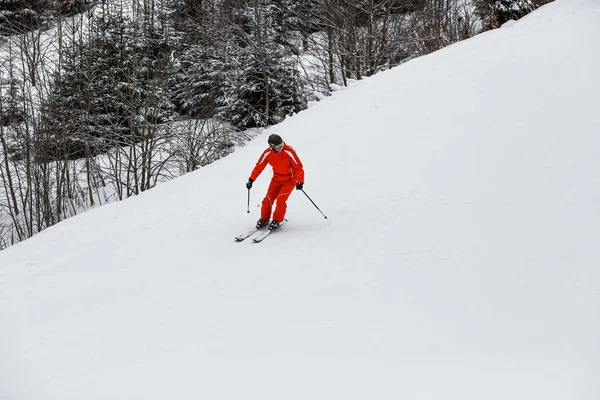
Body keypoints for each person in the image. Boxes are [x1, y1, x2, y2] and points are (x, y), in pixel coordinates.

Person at [246, 134, 304, 230]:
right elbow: (259, 166)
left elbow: (298, 167)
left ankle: (277, 220)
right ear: (271, 147)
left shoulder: (289, 151)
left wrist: (300, 181)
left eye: (281, 145)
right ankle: (264, 219)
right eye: (278, 147)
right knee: (267, 199)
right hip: (276, 179)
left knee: (281, 200)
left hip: (290, 180)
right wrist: (251, 179)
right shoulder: (267, 153)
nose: (281, 148)